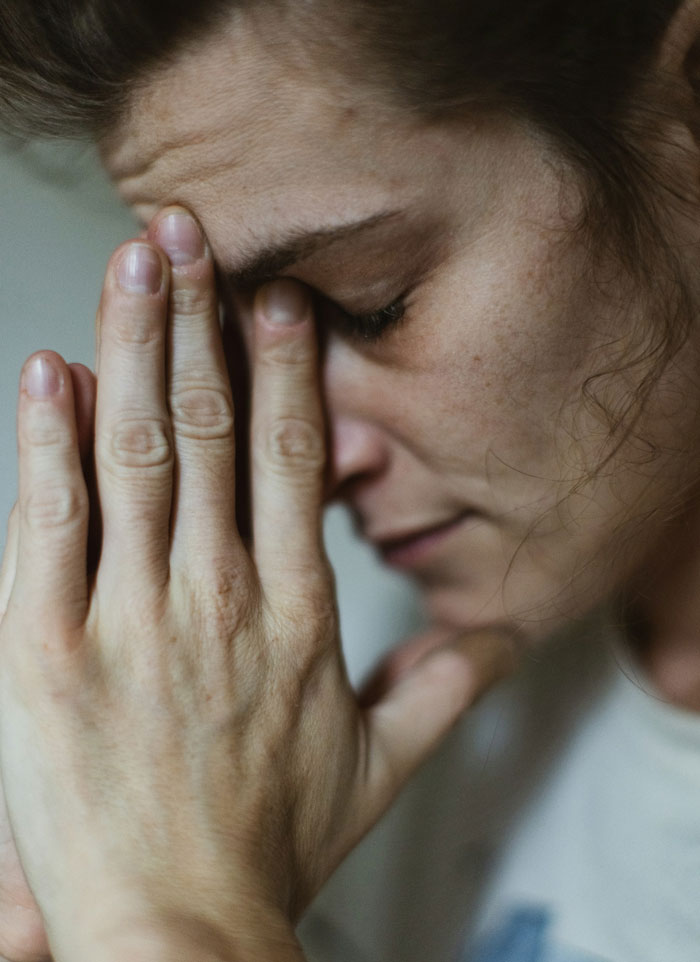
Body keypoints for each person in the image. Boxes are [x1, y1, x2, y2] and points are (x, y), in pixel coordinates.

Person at [0, 0, 698, 959]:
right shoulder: (312, 712)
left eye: (367, 307)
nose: (308, 455)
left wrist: (186, 925)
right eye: (250, 341)